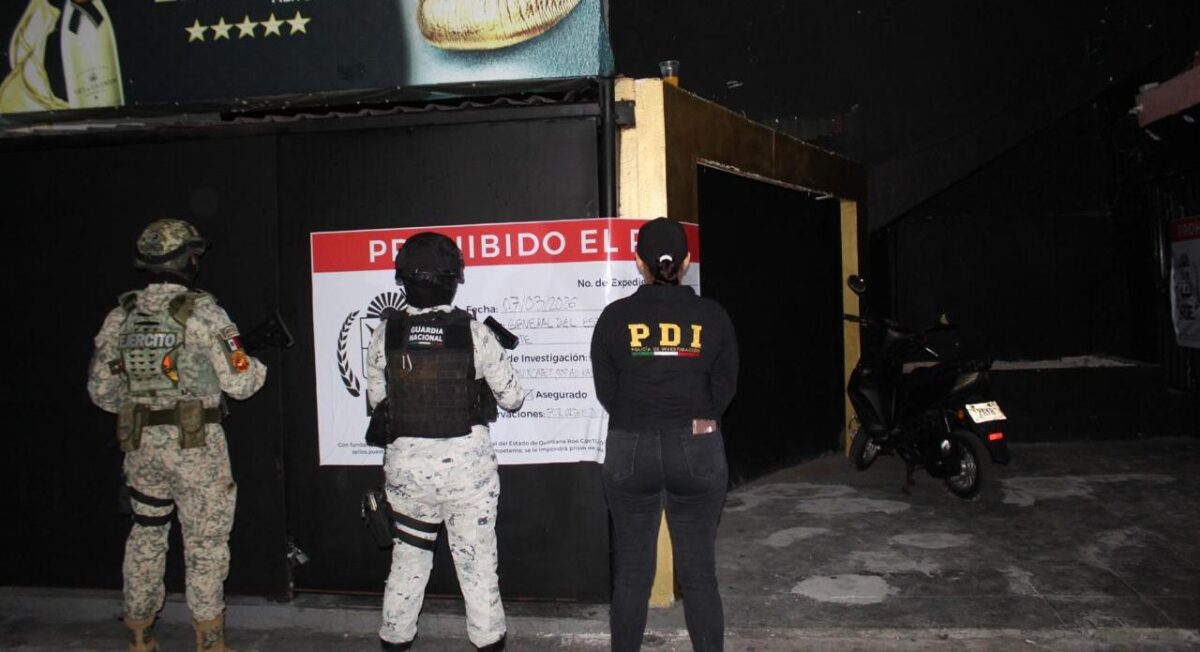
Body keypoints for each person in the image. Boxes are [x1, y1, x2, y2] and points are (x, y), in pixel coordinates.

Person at [87, 218, 267, 652]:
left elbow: (101, 393)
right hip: (196, 448)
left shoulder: (121, 315)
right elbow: (242, 383)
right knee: (205, 543)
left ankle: (140, 634)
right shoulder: (204, 313)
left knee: (146, 534)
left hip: (141, 450)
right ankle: (209, 640)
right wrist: (254, 363)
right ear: (188, 259)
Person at [366, 232, 525, 652]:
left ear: (403, 280)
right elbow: (513, 398)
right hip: (466, 475)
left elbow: (377, 400)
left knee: (408, 560)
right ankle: (488, 642)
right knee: (477, 565)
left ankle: (395, 639)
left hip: (408, 473)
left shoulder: (384, 334)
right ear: (454, 279)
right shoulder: (475, 333)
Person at [590, 218, 739, 652]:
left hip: (629, 448)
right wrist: (699, 418)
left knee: (632, 573)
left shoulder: (614, 317)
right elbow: (725, 386)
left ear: (639, 263)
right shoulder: (713, 316)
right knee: (699, 574)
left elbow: (607, 390)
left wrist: (638, 415)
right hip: (696, 447)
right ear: (687, 262)